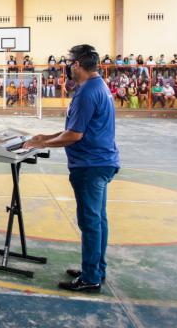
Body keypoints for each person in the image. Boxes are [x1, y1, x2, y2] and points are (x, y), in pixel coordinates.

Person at [24, 44, 119, 293]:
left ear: (76, 64)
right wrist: (44, 137)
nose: (67, 67)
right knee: (99, 219)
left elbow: (74, 135)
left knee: (90, 222)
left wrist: (39, 145)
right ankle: (96, 269)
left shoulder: (86, 92)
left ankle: (90, 278)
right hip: (102, 162)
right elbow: (74, 130)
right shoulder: (100, 86)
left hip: (90, 165)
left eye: (69, 63)